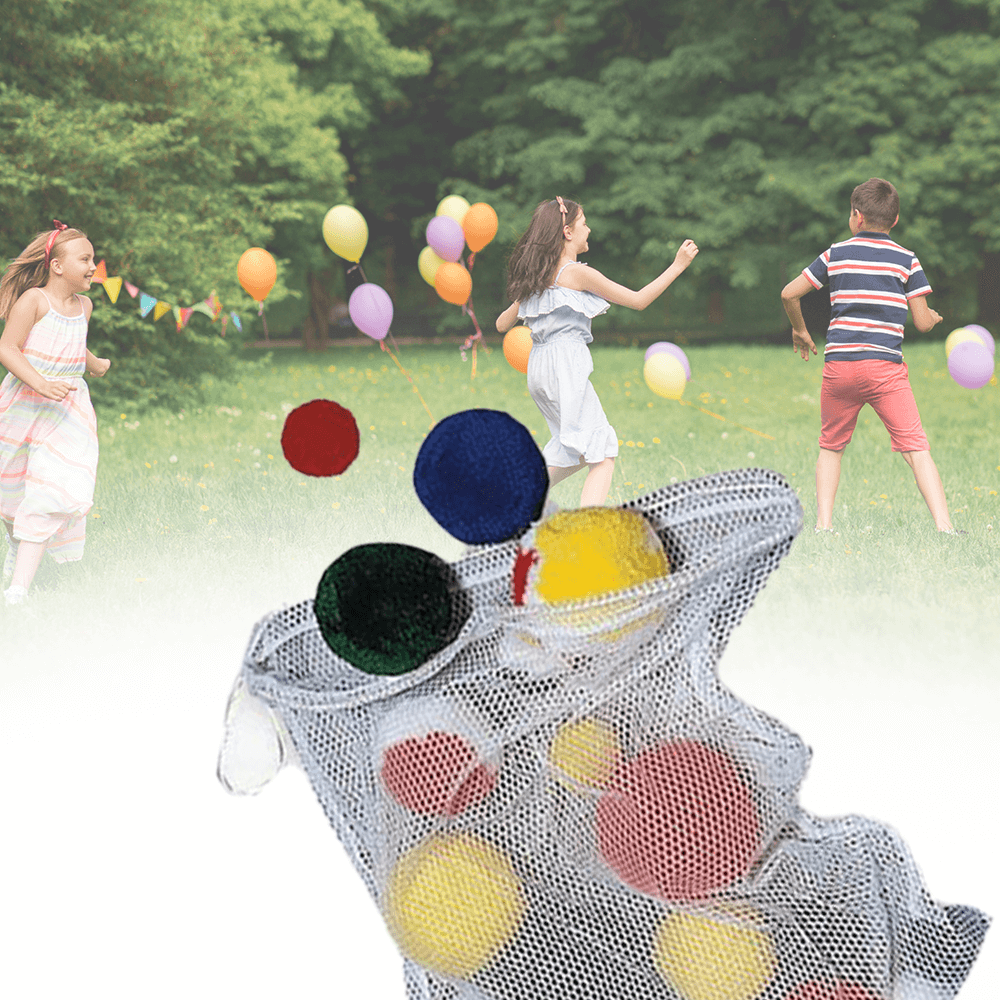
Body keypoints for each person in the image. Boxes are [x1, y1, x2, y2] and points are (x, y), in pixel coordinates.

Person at [780, 178, 956, 533]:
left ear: (856, 217)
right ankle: (945, 528)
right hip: (884, 371)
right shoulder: (906, 259)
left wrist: (800, 330)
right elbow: (921, 322)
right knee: (916, 447)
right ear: (895, 220)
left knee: (831, 446)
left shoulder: (835, 253)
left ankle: (824, 527)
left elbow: (788, 294)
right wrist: (933, 317)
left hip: (840, 368)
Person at [496, 197, 698, 506]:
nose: (588, 229)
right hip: (565, 366)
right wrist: (677, 266)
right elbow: (639, 300)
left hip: (540, 369)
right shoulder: (577, 274)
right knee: (602, 452)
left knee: (575, 448)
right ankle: (585, 535)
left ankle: (517, 495)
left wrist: (524, 299)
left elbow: (500, 325)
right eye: (584, 223)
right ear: (567, 232)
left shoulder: (536, 279)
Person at [0, 221, 110, 605]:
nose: (94, 266)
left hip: (67, 411)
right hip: (24, 405)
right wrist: (40, 383)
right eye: (85, 258)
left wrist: (92, 363)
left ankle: (18, 590)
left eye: (93, 259)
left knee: (53, 488)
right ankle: (18, 546)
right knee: (11, 489)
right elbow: (8, 348)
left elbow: (72, 343)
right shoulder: (34, 300)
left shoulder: (85, 305)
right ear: (58, 266)